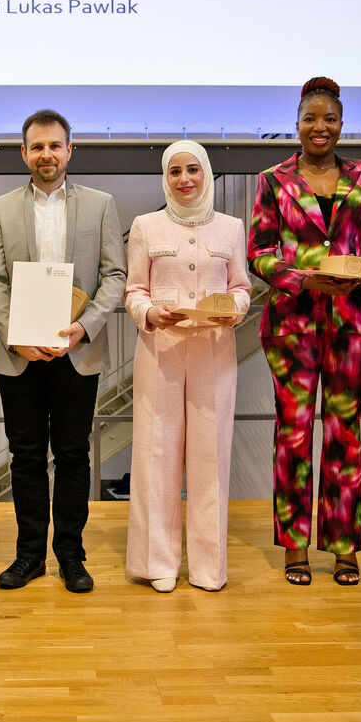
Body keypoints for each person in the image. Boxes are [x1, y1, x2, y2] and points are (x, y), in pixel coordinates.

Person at [247, 76, 361, 587]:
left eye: (329, 118)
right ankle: (294, 545)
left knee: (343, 432)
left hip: (354, 321)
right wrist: (302, 278)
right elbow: (259, 253)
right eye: (310, 118)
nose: (320, 127)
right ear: (297, 123)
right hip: (291, 324)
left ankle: (343, 545)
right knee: (293, 434)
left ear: (341, 123)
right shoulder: (272, 180)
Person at [0, 109, 127, 593]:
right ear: (24, 153)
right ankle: (29, 555)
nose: (46, 154)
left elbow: (115, 277)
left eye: (55, 145)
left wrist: (82, 329)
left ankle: (70, 553)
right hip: (19, 354)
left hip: (76, 351)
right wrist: (13, 334)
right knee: (24, 457)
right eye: (37, 146)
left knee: (71, 455)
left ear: (70, 150)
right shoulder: (0, 208)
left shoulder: (101, 204)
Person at [123, 140, 251, 592]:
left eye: (192, 170)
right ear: (165, 177)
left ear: (206, 173)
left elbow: (242, 287)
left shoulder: (232, 227)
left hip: (214, 349)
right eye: (175, 171)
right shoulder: (146, 226)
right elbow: (134, 289)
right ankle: (157, 563)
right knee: (155, 453)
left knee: (210, 455)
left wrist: (232, 307)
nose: (184, 179)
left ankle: (208, 567)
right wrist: (148, 313)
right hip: (161, 348)